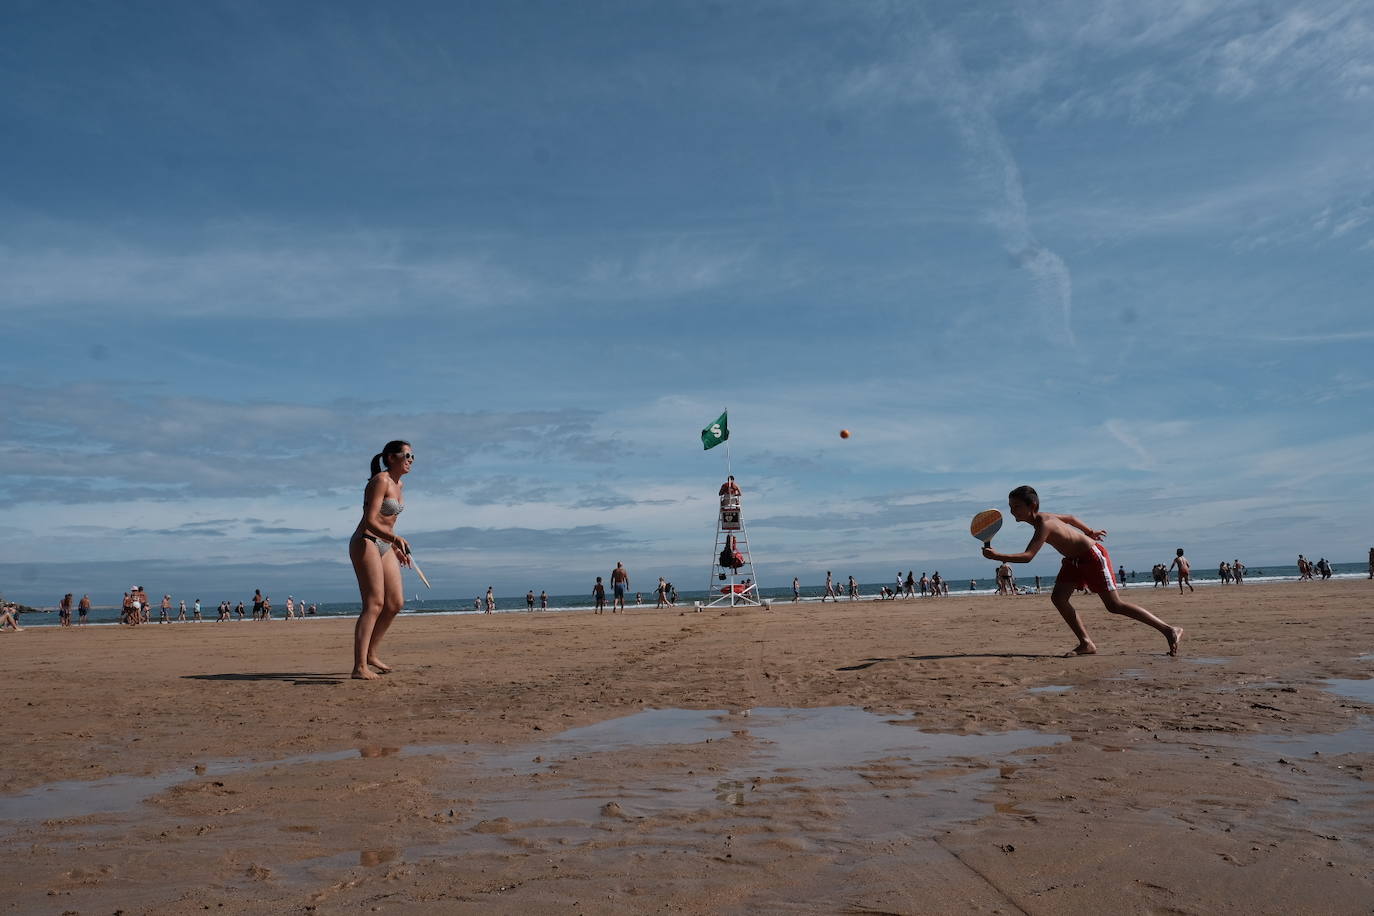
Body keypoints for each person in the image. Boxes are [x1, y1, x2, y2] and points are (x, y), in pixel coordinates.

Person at [982, 486, 1182, 657]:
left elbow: (1028, 556)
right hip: (1073, 560)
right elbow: (1070, 518)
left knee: (1114, 605)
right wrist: (1088, 531)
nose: (1011, 511)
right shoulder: (1043, 519)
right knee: (1059, 598)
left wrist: (997, 556)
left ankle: (1169, 630)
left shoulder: (1044, 524)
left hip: (1092, 556)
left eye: (1016, 506)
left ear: (1031, 506)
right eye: (1010, 507)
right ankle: (1086, 643)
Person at [348, 439, 416, 680]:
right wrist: (396, 538)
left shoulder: (400, 484)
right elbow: (370, 520)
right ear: (390, 458)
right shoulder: (380, 481)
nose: (410, 460)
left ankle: (371, 654)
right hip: (365, 540)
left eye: (412, 457)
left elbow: (390, 521)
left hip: (385, 544)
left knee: (395, 602)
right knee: (374, 603)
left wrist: (395, 547)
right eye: (406, 455)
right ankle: (359, 667)